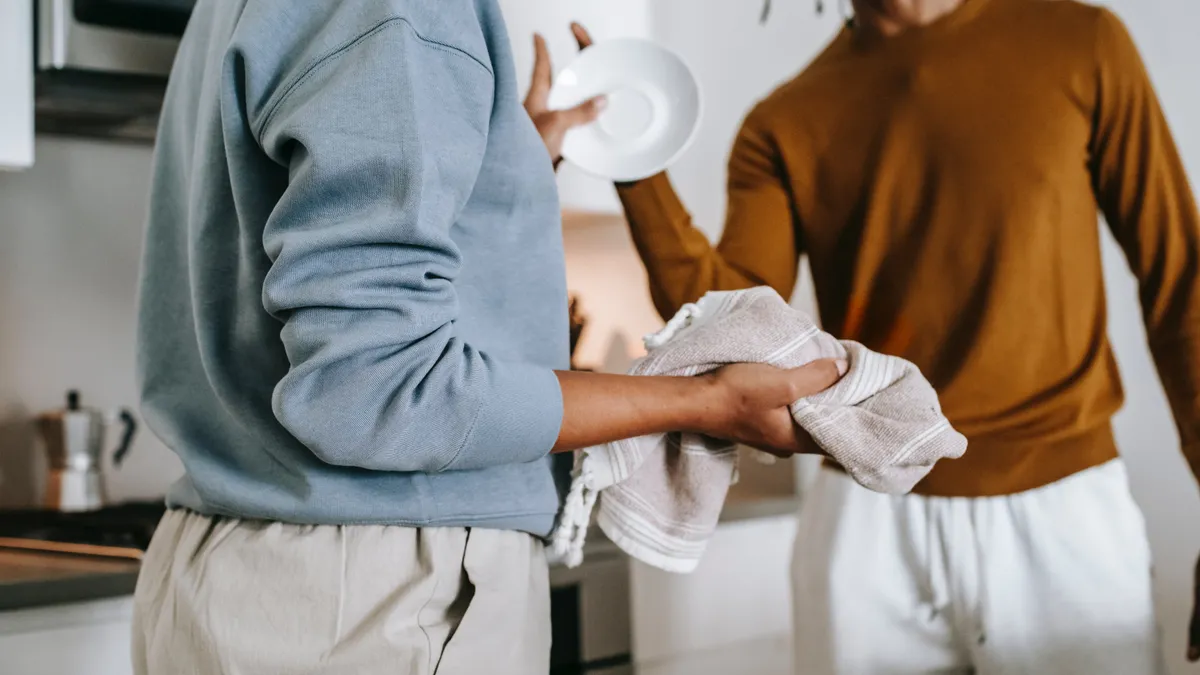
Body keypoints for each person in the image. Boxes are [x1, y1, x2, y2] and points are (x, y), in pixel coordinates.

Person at [130, 2, 844, 674]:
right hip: (379, 594)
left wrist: (500, 167)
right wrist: (704, 400)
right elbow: (375, 390)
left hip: (239, 570)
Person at [573, 0, 1200, 671]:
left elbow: (1181, 282)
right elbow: (728, 327)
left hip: (1065, 512)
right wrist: (630, 154)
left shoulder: (1083, 43)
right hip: (864, 520)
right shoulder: (783, 121)